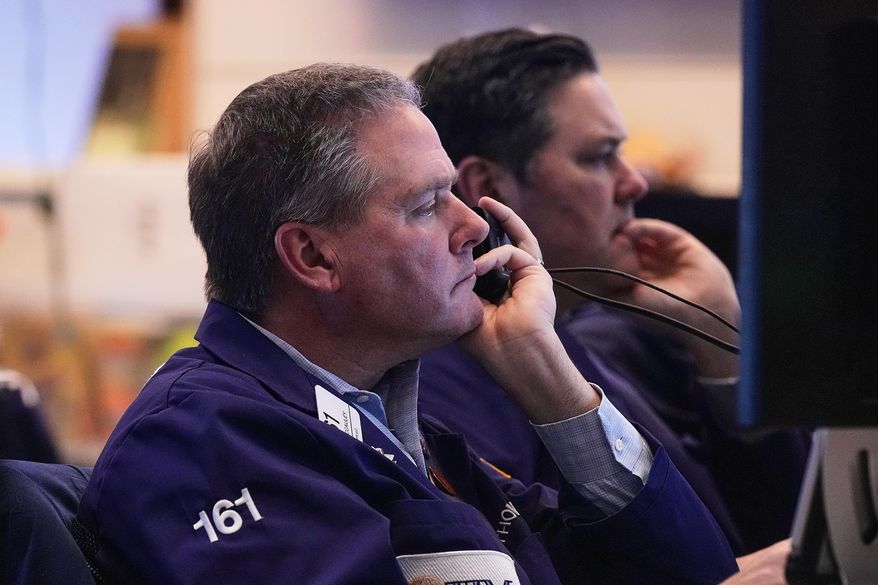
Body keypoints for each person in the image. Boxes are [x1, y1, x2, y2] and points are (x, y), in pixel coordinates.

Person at [72, 63, 783, 584]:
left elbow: (692, 567)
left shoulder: (405, 428)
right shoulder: (200, 440)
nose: (475, 224)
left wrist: (549, 377)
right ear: (314, 254)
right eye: (426, 204)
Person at [412, 28, 810, 554]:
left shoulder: (623, 343)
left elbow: (790, 531)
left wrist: (714, 329)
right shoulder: (436, 395)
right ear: (487, 188)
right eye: (600, 157)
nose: (636, 182)